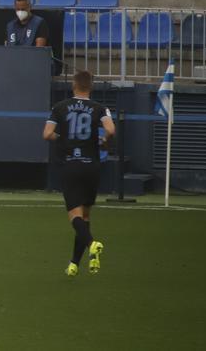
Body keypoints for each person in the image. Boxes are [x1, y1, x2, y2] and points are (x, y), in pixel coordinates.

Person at [44, 69, 115, 277]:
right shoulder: (101, 108)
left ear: (73, 85)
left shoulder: (60, 107)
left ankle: (92, 244)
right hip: (91, 165)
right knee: (85, 215)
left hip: (71, 165)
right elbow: (110, 130)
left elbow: (47, 134)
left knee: (74, 215)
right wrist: (104, 143)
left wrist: (63, 140)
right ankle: (75, 263)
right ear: (90, 87)